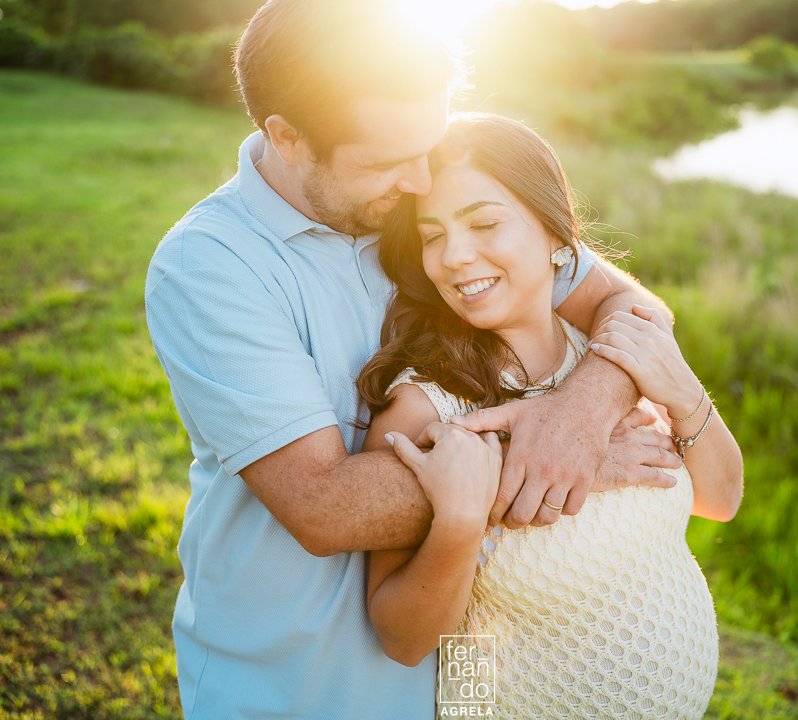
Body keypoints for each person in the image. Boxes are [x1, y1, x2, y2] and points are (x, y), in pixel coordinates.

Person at [145, 1, 685, 717]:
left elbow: (635, 310)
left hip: (464, 677)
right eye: (386, 161)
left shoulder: (430, 206)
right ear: (287, 136)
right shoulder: (211, 265)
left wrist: (580, 416)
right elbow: (324, 506)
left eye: (423, 147)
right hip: (300, 685)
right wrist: (552, 464)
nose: (421, 181)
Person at [358, 114, 743, 719]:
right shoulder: (426, 407)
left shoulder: (610, 361)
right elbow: (404, 642)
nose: (455, 257)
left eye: (484, 223)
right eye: (433, 236)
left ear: (559, 237)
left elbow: (719, 499)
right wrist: (462, 520)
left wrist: (685, 392)